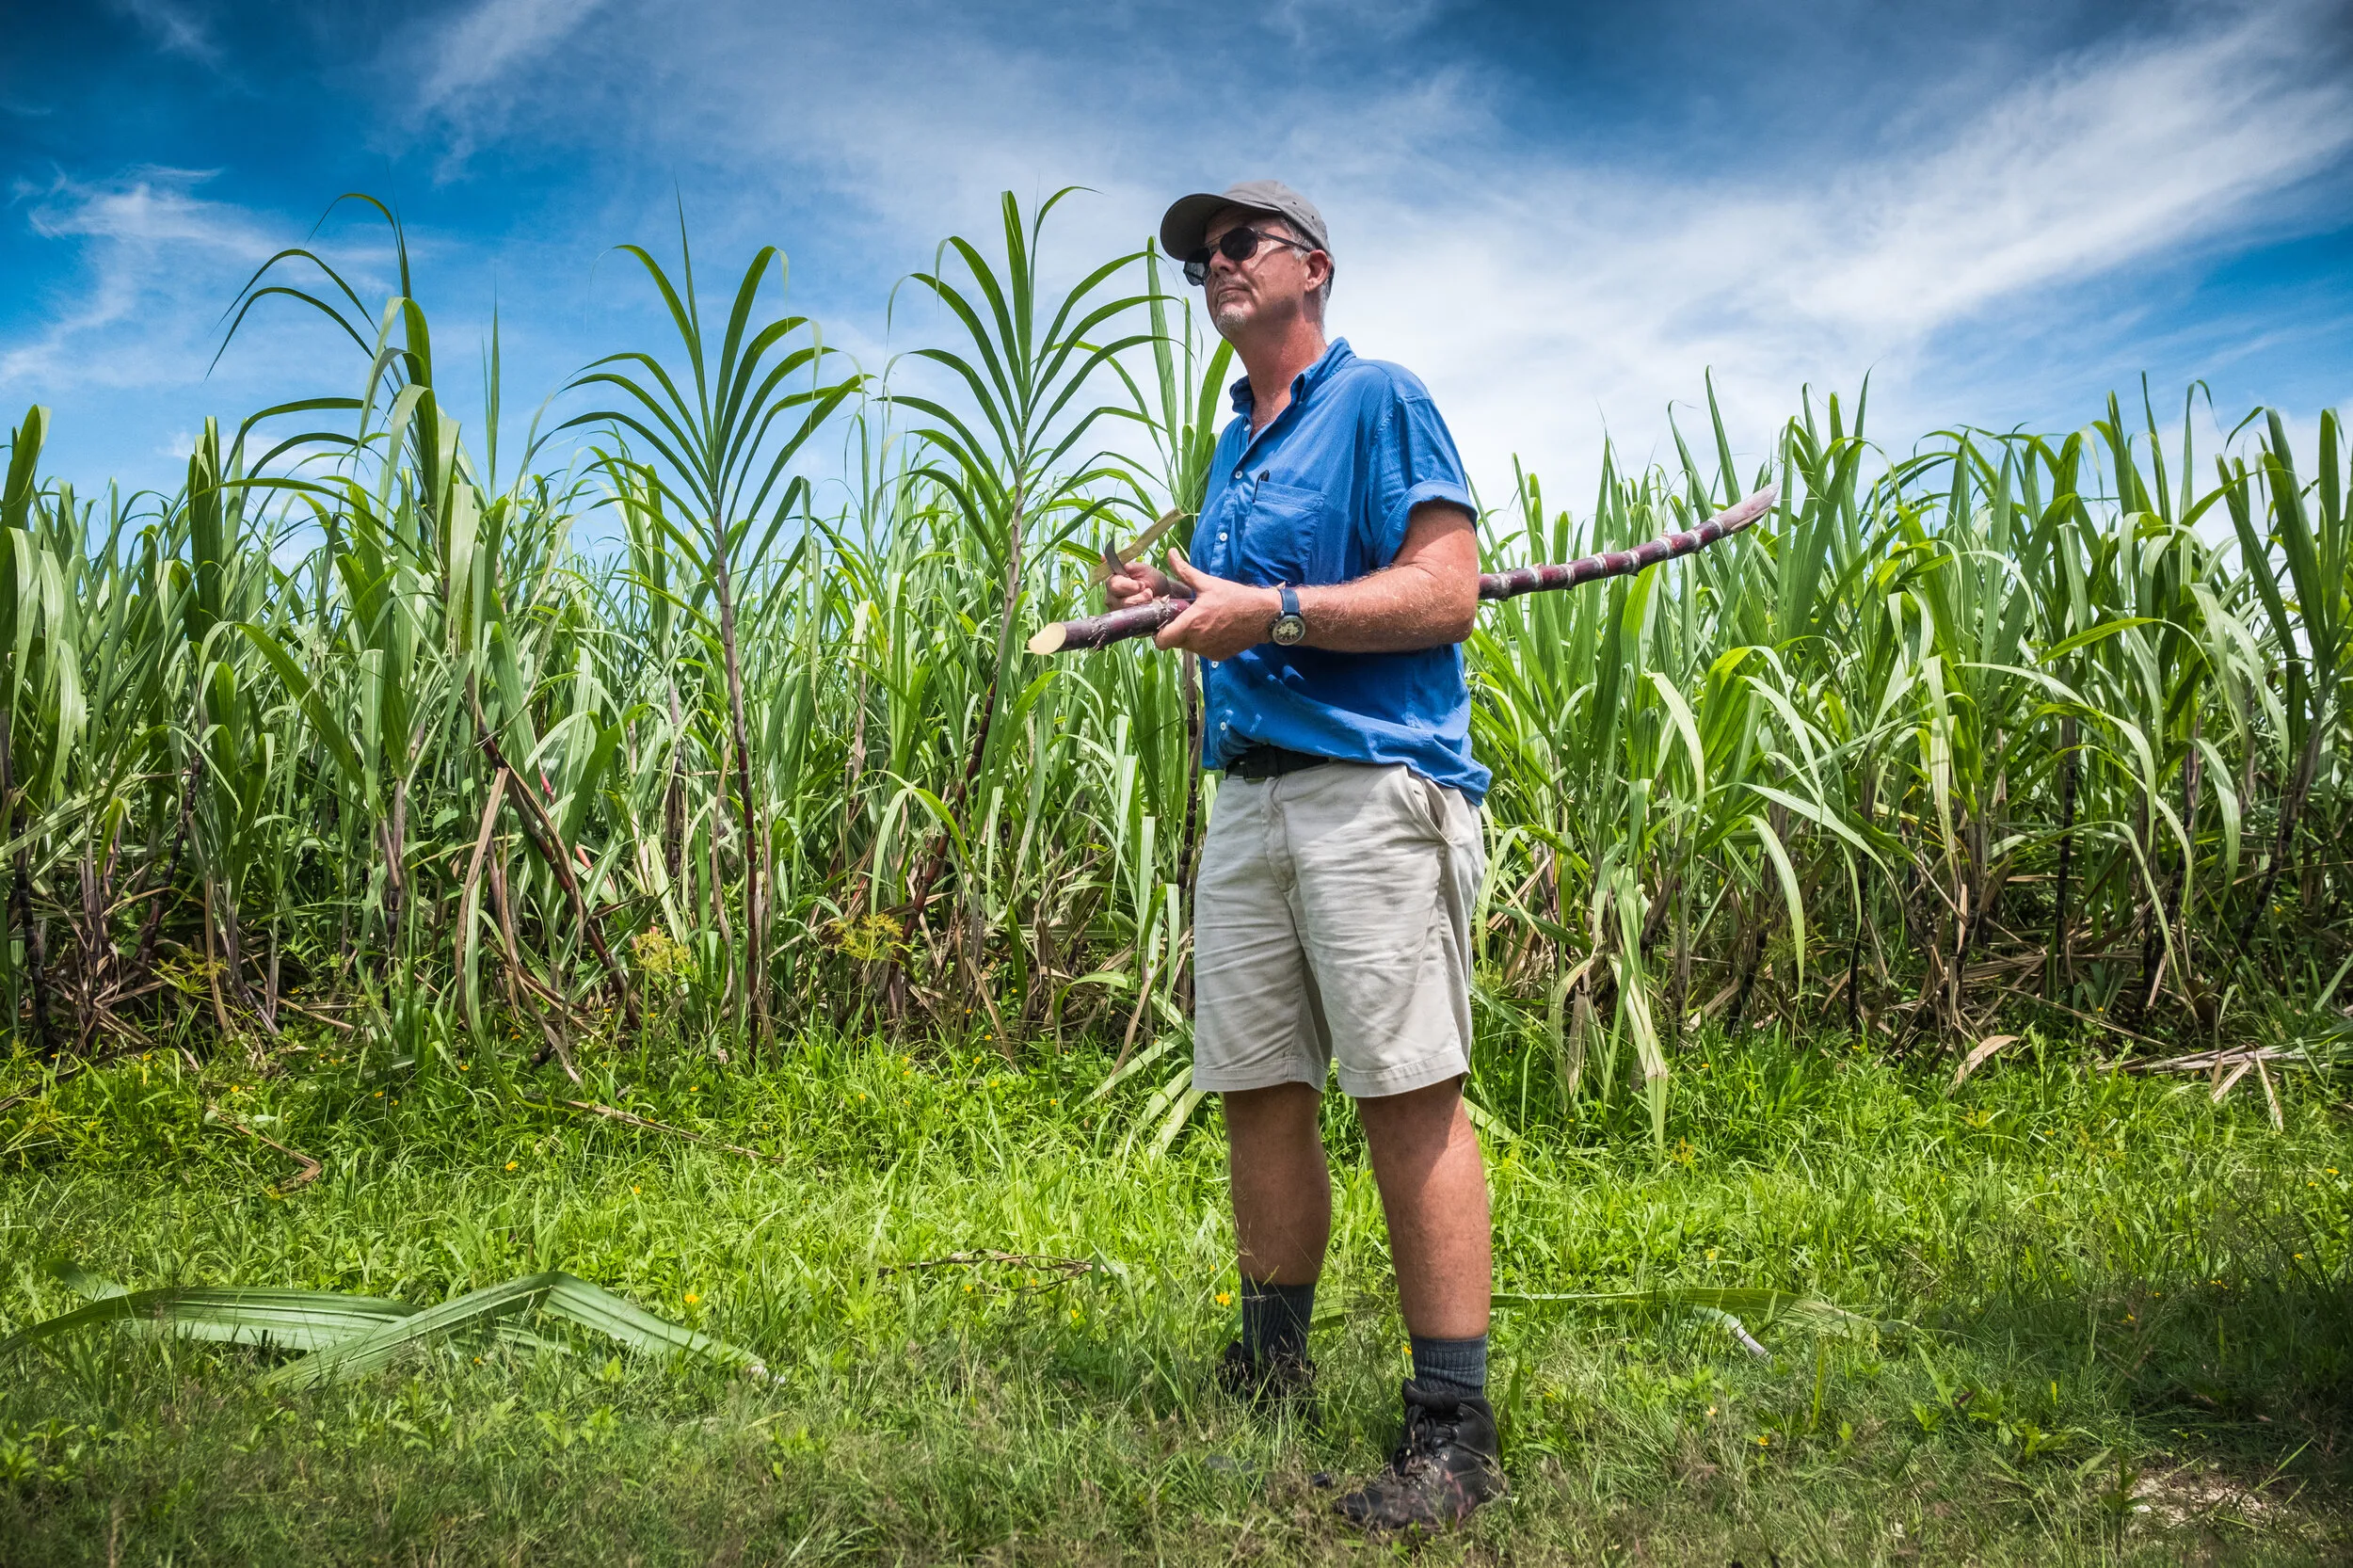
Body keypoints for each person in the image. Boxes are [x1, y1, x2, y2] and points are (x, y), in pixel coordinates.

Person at [1104, 179, 1501, 1531]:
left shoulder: (1377, 399)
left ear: (1310, 267)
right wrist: (1171, 603)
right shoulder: (1230, 448)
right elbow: (1242, 615)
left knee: (1405, 1084)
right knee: (1258, 1084)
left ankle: (1453, 1428)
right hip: (1251, 800)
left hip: (1370, 791)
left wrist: (1265, 606)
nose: (1212, 267)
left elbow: (1445, 589)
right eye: (1199, 257)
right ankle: (1268, 1372)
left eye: (1236, 245)